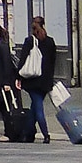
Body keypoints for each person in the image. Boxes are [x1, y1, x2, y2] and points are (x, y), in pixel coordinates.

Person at [17, 15, 58, 143]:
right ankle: (27, 134)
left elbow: (23, 60)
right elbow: (53, 60)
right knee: (34, 107)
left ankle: (45, 134)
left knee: (38, 108)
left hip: (32, 80)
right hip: (45, 81)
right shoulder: (50, 41)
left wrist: (18, 77)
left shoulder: (29, 41)